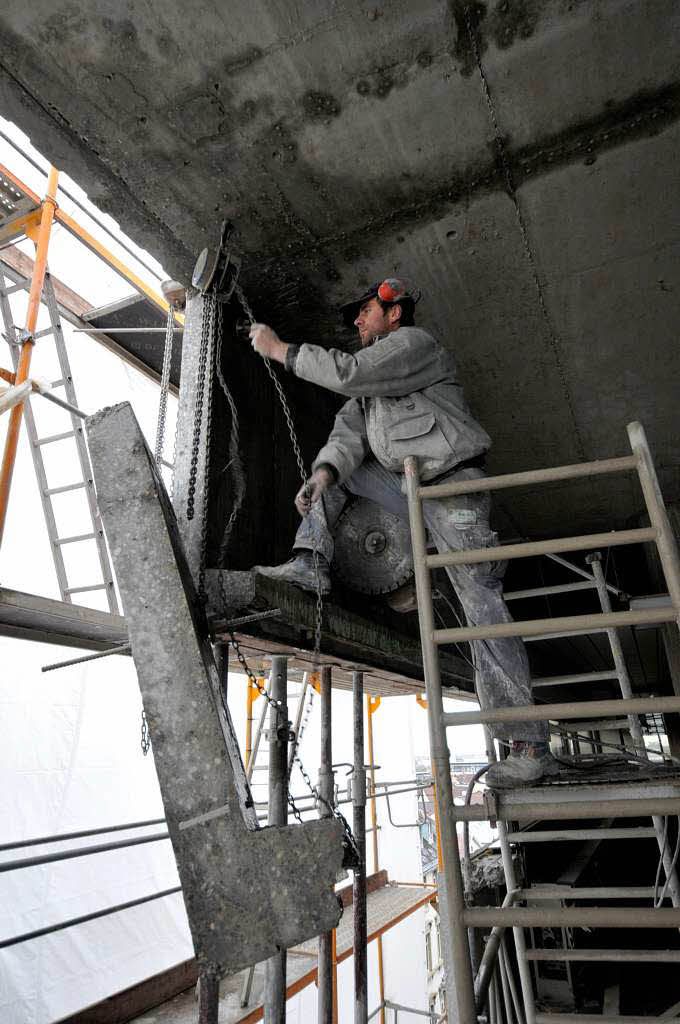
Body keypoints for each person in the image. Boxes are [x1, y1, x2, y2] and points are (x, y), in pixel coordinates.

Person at [248, 278, 556, 788]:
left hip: (451, 486)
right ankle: (312, 563)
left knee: (479, 602)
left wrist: (281, 351)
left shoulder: (413, 347)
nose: (356, 321)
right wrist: (323, 475)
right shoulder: (372, 389)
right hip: (410, 487)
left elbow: (348, 374)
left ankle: (529, 744)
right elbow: (347, 433)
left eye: (365, 310)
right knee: (334, 481)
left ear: (395, 314)